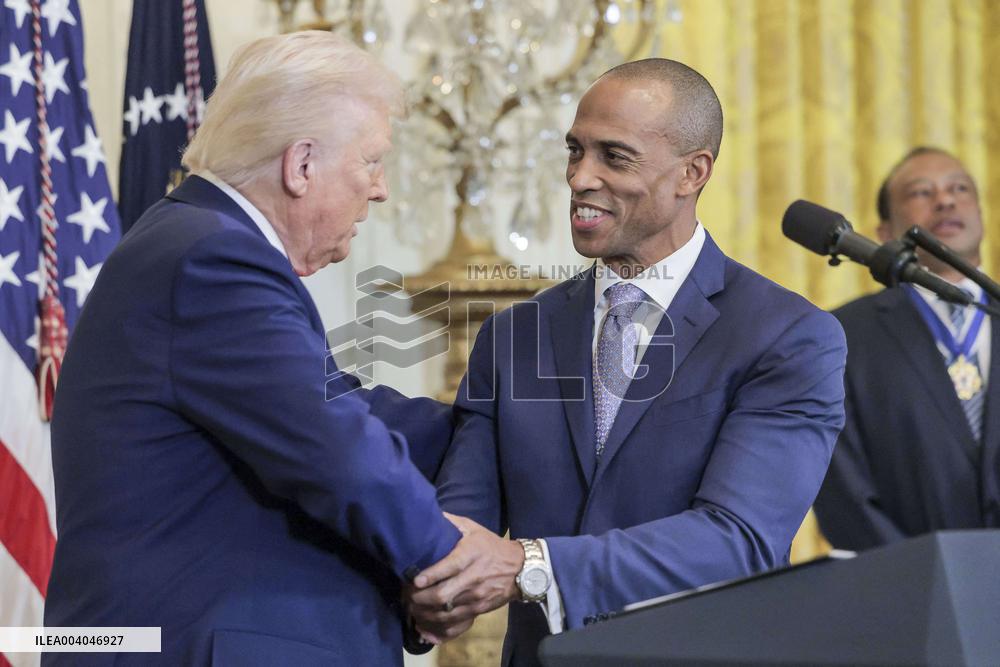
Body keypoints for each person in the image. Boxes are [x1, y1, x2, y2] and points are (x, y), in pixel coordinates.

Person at [43, 31, 488, 665]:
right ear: (301, 164)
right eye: (371, 161)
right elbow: (333, 446)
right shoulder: (211, 258)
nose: (380, 189)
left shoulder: (193, 242)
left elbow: (337, 409)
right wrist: (452, 563)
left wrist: (494, 431)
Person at [406, 58, 848, 665]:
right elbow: (462, 521)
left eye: (615, 157)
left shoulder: (788, 336)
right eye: (574, 151)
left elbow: (738, 541)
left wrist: (532, 566)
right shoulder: (514, 334)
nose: (580, 178)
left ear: (692, 173)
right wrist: (434, 585)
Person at [814, 147, 1000, 550]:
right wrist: (914, 574)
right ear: (884, 233)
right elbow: (843, 488)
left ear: (983, 217)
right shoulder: (843, 335)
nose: (946, 200)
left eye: (960, 189)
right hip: (914, 586)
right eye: (921, 193)